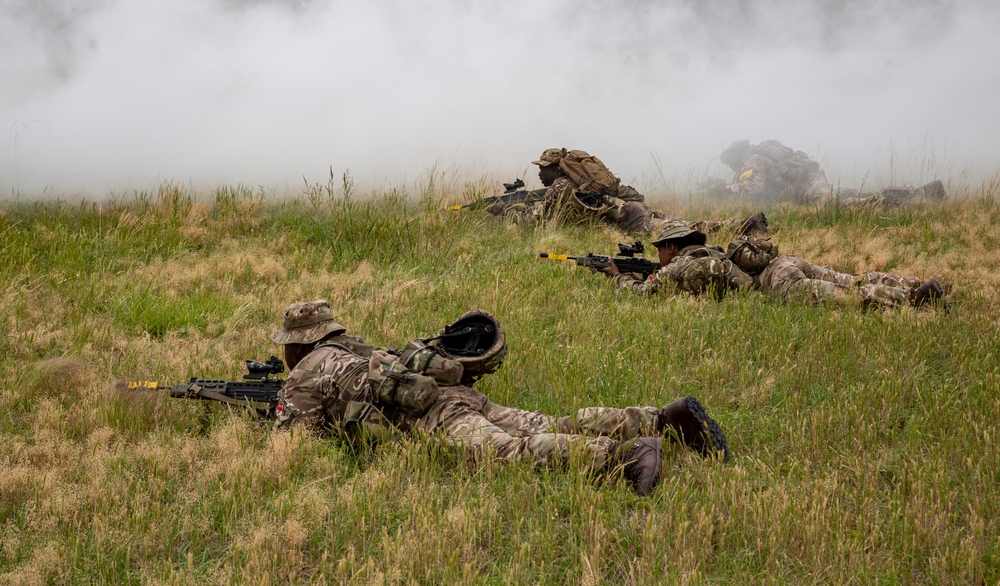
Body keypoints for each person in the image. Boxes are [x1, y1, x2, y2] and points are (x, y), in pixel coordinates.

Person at [270, 300, 729, 497]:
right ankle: (662, 419)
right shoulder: (357, 347)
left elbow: (292, 439)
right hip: (461, 394)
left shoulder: (305, 373)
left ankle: (623, 459)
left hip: (433, 415)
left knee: (506, 452)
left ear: (297, 344)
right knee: (551, 422)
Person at [594, 220, 949, 311]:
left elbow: (643, 295)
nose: (658, 257)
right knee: (850, 279)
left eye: (660, 250)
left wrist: (616, 277)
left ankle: (912, 300)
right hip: (783, 261)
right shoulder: (712, 252)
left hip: (775, 281)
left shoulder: (679, 268)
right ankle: (914, 283)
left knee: (842, 298)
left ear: (671, 247)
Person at [504, 147, 756, 236]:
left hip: (631, 217)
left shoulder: (560, 187)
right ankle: (740, 225)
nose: (539, 174)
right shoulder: (573, 183)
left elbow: (542, 222)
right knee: (678, 224)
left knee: (682, 230)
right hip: (632, 208)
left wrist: (511, 212)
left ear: (555, 169)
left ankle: (740, 225)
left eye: (543, 169)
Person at [718, 139, 832, 203]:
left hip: (810, 187)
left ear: (739, 154)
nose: (730, 164)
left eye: (730, 159)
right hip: (805, 188)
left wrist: (729, 190)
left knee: (837, 205)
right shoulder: (753, 160)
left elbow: (755, 187)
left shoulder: (752, 161)